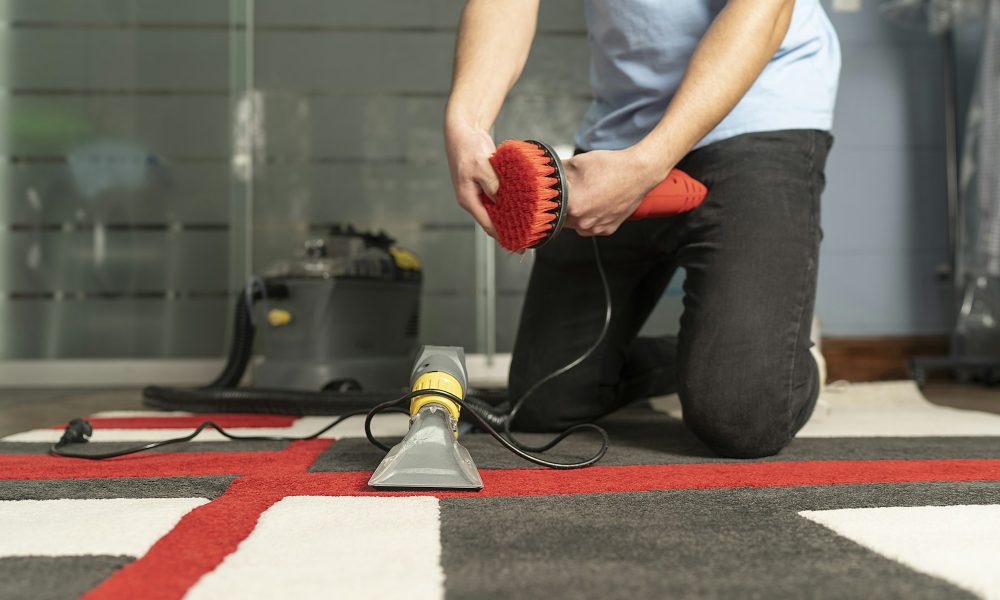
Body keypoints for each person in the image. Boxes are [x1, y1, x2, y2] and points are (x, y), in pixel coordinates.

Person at [444, 0, 840, 458]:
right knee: (544, 404)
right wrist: (465, 122)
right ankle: (729, 349)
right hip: (622, 130)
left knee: (741, 415)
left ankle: (779, 355)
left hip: (761, 110)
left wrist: (651, 162)